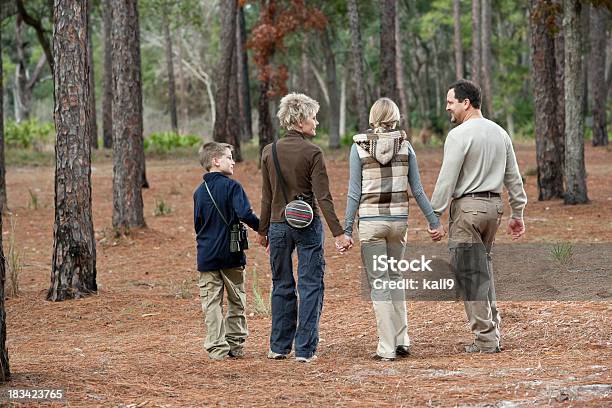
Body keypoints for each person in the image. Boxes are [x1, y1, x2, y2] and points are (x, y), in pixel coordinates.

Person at [428, 79, 527, 353]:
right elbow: (514, 179)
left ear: (465, 103)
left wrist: (434, 214)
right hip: (493, 211)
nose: (447, 108)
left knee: (471, 274)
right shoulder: (501, 133)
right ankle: (493, 333)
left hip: (468, 211)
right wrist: (517, 212)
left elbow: (447, 179)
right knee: (483, 270)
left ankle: (485, 339)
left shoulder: (459, 135)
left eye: (450, 102)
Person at [343, 97, 442, 361]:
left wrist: (346, 229)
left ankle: (386, 348)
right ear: (395, 117)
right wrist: (434, 221)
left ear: (373, 117)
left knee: (379, 284)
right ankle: (402, 340)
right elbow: (418, 190)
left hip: (371, 224)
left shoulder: (359, 148)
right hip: (399, 223)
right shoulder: (406, 147)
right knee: (396, 277)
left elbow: (354, 193)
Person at [258, 92, 351, 363]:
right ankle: (305, 349)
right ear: (300, 120)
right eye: (313, 117)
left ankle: (278, 346)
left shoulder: (268, 151)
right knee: (310, 285)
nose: (317, 122)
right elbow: (323, 197)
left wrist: (263, 231)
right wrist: (339, 233)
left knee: (281, 284)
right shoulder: (313, 152)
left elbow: (266, 195)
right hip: (307, 226)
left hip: (277, 226)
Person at [193, 142, 260, 360]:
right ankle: (236, 345)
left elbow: (198, 224)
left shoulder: (199, 192)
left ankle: (217, 348)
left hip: (206, 255)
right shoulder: (233, 187)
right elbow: (245, 214)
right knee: (236, 300)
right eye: (229, 157)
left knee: (211, 302)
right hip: (231, 253)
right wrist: (263, 228)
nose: (233, 161)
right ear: (215, 161)